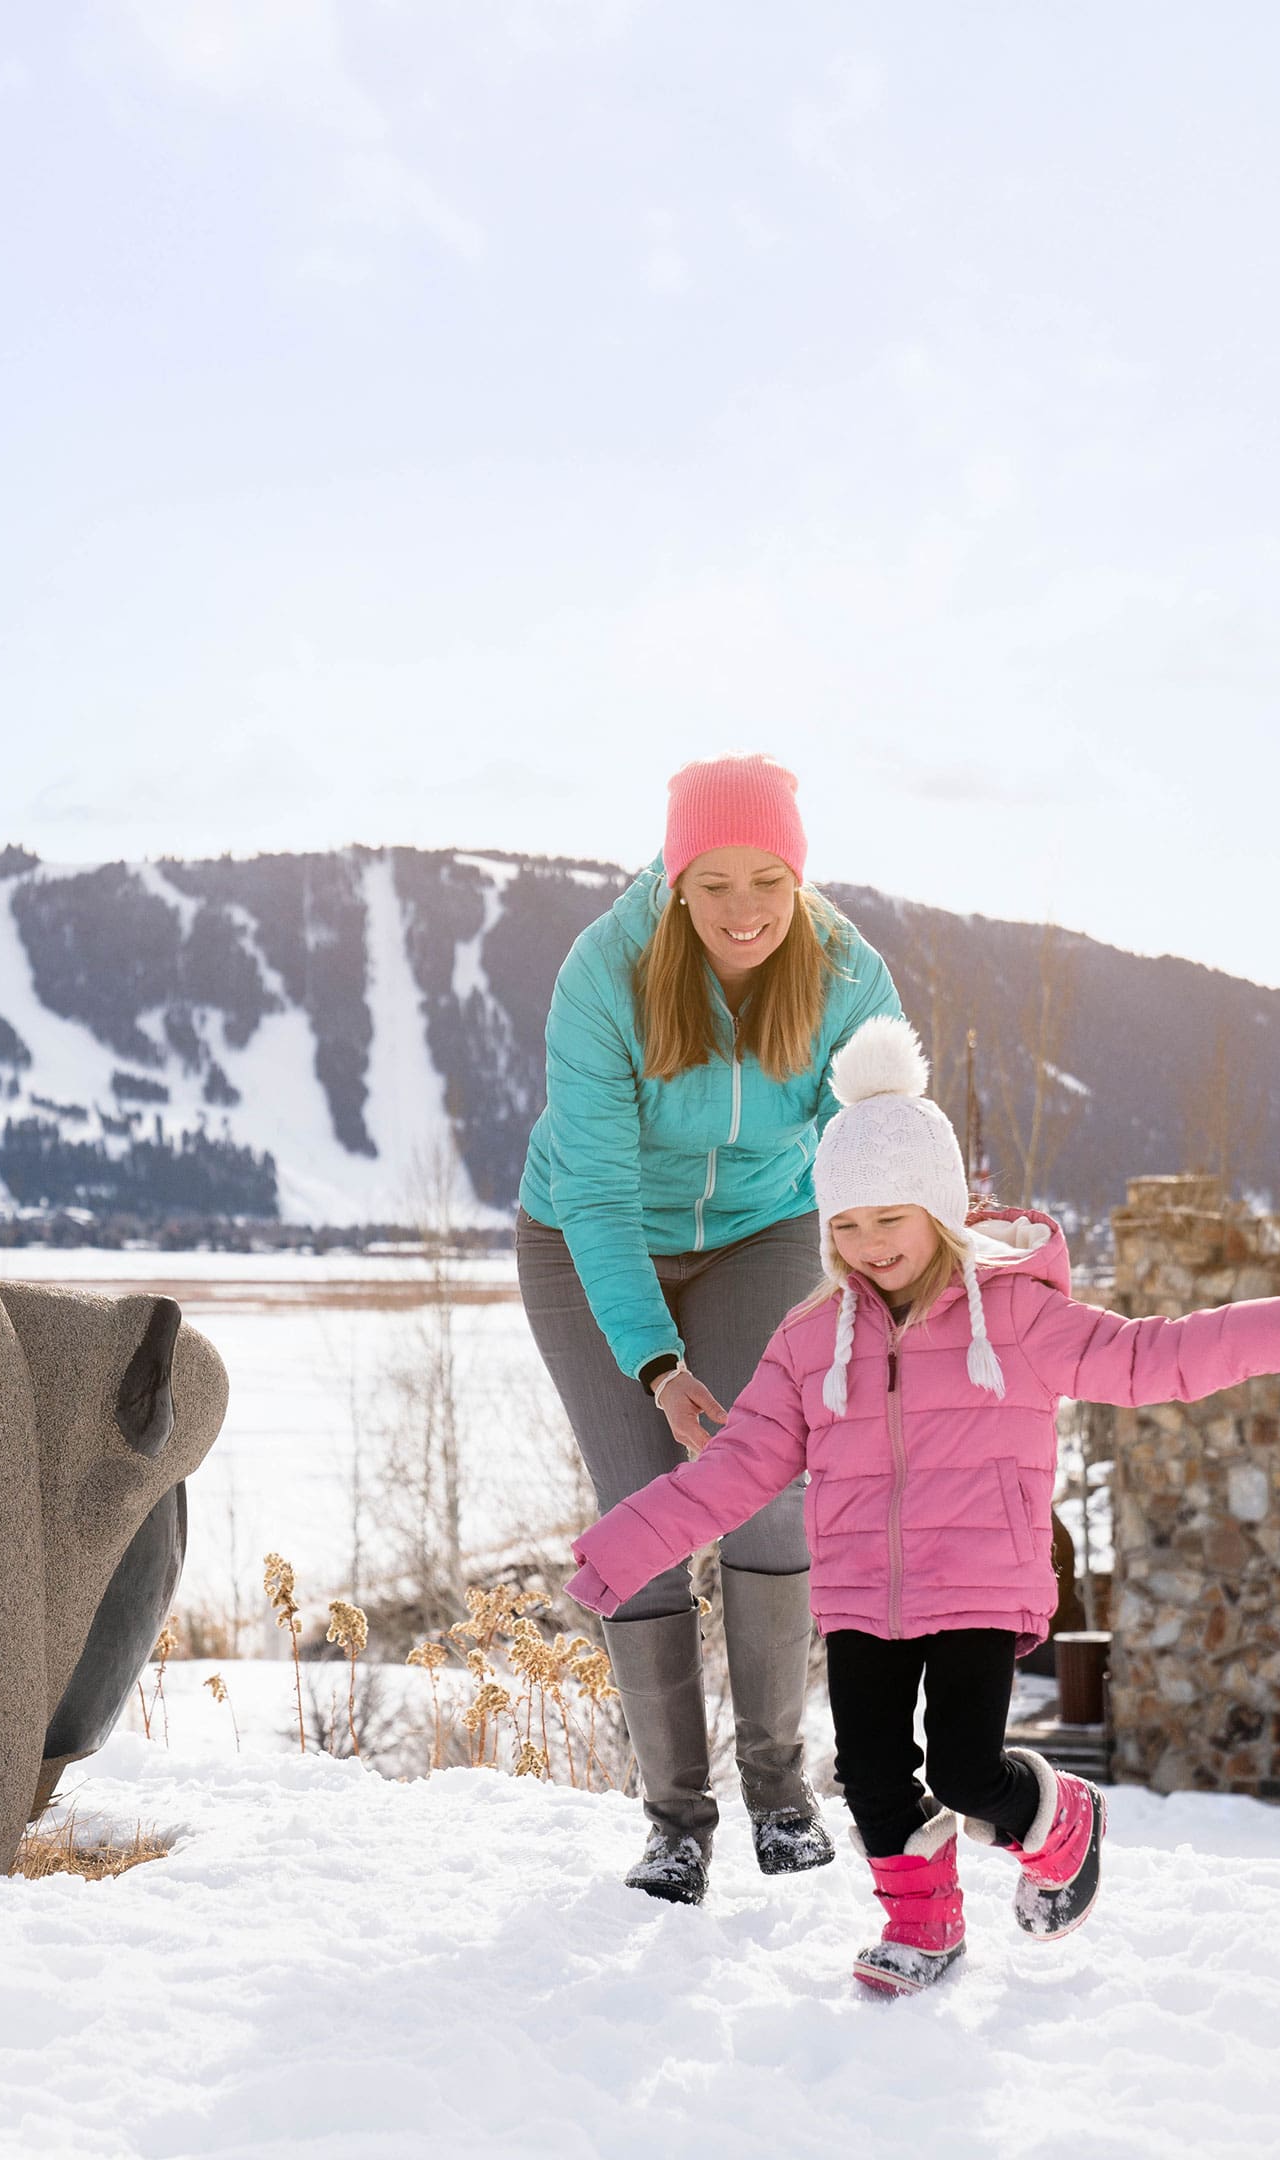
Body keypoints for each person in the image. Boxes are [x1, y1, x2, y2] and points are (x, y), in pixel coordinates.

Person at [565, 1015, 1280, 1992]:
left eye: (887, 1218)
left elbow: (1146, 1359)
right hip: (856, 1599)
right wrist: (623, 1549)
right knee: (874, 1778)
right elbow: (733, 1467)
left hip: (977, 1583)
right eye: (843, 1225)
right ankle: (920, 1928)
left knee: (966, 1773)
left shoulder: (1015, 1314)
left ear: (936, 1209)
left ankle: (1055, 1817)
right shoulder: (810, 1342)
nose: (865, 1243)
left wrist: (1277, 1332)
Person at [516, 753, 902, 1906]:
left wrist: (918, 1273)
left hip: (760, 1232)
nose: (743, 911)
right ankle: (674, 1823)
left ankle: (780, 1797)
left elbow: (879, 1147)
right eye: (715, 883)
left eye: (767, 883)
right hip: (585, 1237)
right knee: (642, 1513)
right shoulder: (606, 971)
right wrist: (654, 1363)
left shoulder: (845, 977)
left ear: (798, 880)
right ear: (675, 880)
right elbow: (594, 1193)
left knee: (765, 1481)